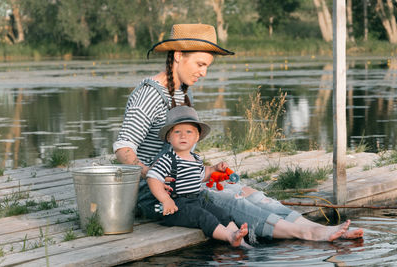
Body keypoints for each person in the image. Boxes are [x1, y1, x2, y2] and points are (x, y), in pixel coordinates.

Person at [113, 23, 364, 242]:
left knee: (249, 193)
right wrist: (155, 175)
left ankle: (315, 227)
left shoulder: (181, 92)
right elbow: (123, 150)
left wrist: (206, 171)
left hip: (187, 186)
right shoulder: (148, 94)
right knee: (232, 202)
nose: (204, 72)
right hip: (156, 195)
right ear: (178, 55)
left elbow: (181, 152)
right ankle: (306, 235)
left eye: (207, 66)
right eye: (200, 64)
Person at [146, 105, 249, 247]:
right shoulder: (168, 159)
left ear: (197, 137)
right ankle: (230, 237)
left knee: (220, 212)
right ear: (169, 137)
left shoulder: (195, 158)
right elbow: (152, 178)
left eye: (189, 132)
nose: (183, 136)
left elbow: (202, 175)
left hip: (197, 200)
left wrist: (214, 168)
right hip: (176, 207)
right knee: (203, 217)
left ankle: (239, 238)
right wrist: (165, 200)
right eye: (177, 132)